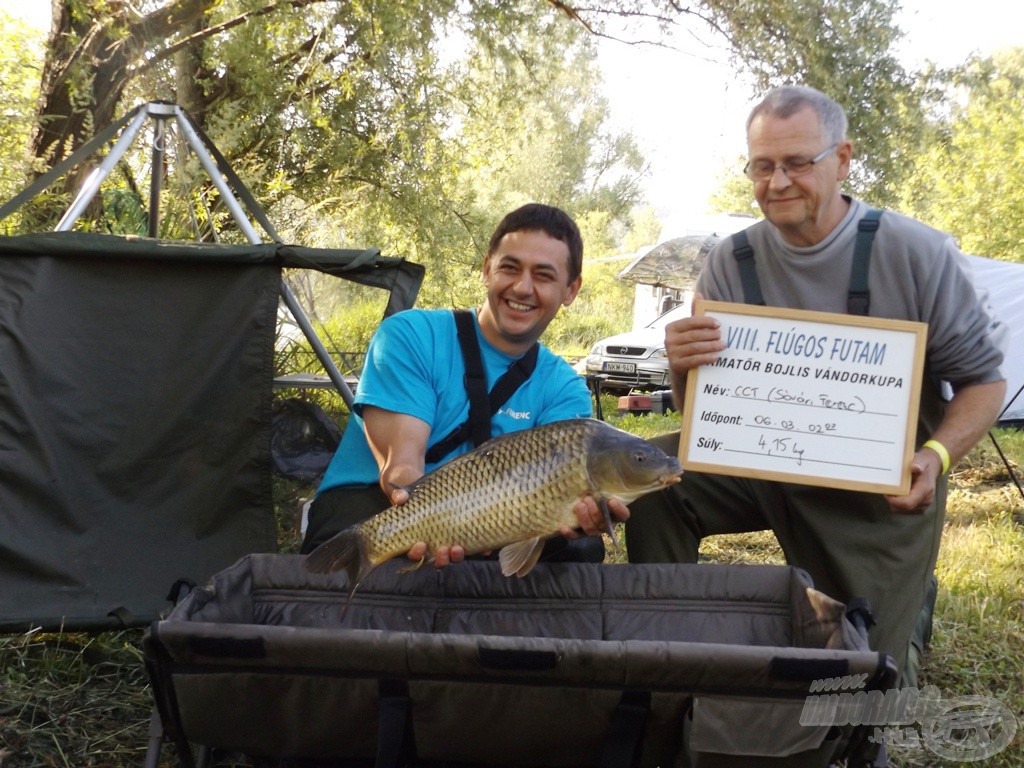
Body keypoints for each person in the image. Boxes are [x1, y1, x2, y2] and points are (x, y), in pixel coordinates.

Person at [625, 86, 1006, 688]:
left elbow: (986, 382)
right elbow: (704, 405)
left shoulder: (916, 252)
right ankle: (670, 657)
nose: (777, 182)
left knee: (863, 688)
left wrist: (935, 458)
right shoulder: (731, 261)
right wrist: (680, 363)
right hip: (763, 466)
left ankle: (904, 620)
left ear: (843, 158)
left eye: (797, 163)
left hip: (878, 492)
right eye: (762, 166)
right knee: (653, 479)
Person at [301, 202, 627, 564]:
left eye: (544, 275)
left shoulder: (565, 389)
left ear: (571, 290)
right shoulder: (411, 335)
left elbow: (553, 494)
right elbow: (401, 467)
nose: (522, 287)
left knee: (580, 547)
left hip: (495, 519)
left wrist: (577, 514)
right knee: (361, 538)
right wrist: (433, 520)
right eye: (510, 268)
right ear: (487, 269)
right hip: (384, 502)